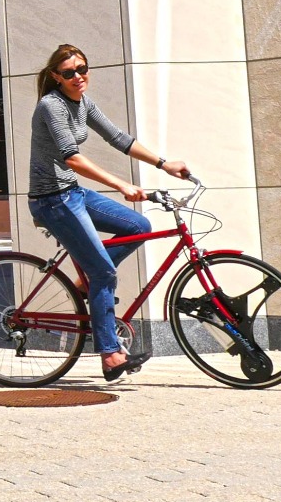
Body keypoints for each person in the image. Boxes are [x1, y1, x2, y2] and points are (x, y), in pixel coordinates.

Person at [29, 44, 189, 382]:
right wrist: (121, 184)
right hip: (51, 200)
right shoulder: (50, 105)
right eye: (70, 72)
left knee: (138, 224)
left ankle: (86, 278)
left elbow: (118, 138)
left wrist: (164, 164)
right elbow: (71, 157)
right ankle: (110, 355)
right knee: (103, 273)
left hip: (72, 193)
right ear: (56, 76)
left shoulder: (83, 102)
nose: (78, 77)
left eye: (83, 68)